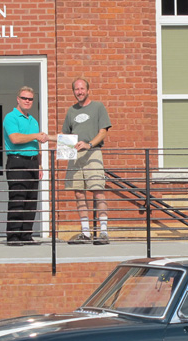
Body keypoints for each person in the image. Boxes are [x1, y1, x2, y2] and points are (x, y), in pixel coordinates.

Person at [53, 78, 112, 245]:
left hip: (93, 152)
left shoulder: (98, 107)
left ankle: (104, 232)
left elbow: (103, 133)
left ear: (88, 90)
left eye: (82, 89)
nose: (79, 92)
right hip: (75, 155)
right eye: (76, 89)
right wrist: (47, 138)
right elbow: (65, 137)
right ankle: (85, 232)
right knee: (78, 192)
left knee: (98, 191)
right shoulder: (71, 111)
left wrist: (89, 144)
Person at [3, 86, 48, 246]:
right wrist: (36, 135)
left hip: (32, 163)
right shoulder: (11, 117)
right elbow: (15, 138)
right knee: (17, 199)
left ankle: (26, 236)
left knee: (31, 201)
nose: (27, 101)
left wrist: (40, 165)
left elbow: (37, 144)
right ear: (18, 99)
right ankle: (13, 236)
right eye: (24, 98)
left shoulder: (33, 120)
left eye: (30, 99)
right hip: (17, 161)